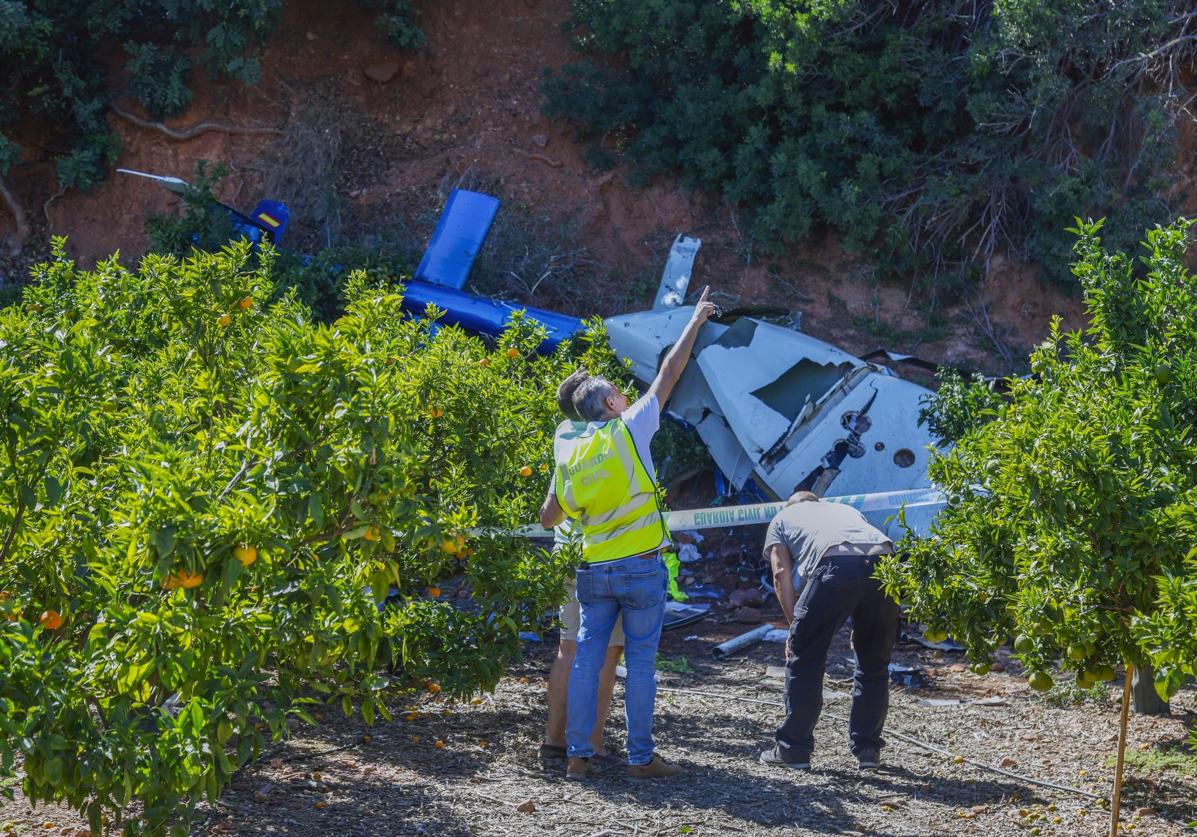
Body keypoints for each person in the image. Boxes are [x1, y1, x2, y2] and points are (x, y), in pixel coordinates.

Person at [540, 287, 716, 781]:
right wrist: (695, 321)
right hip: (639, 567)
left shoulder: (569, 449)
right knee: (638, 664)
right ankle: (641, 759)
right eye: (618, 390)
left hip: (591, 570)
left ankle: (577, 757)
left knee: (579, 659)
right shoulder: (631, 426)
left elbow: (549, 516)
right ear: (612, 401)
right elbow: (668, 374)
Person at [760, 491, 900, 771]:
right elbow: (866, 561)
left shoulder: (782, 517)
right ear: (816, 502)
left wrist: (794, 629)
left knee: (805, 658)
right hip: (885, 563)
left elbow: (780, 575)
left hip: (835, 562)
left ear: (791, 505)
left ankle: (793, 750)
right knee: (874, 661)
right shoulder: (844, 510)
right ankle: (868, 750)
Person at [539, 369, 624, 768]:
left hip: (567, 552)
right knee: (607, 653)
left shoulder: (564, 437)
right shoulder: (611, 437)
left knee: (568, 649)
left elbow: (550, 512)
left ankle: (554, 741)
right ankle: (592, 742)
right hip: (605, 554)